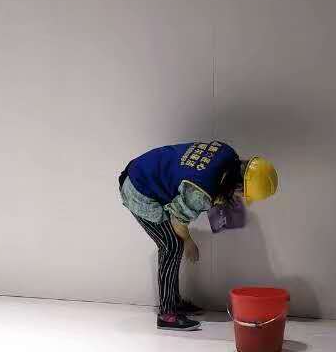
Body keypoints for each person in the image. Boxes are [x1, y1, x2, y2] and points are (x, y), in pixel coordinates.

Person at [119, 142, 279, 331]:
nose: (241, 196)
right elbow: (178, 220)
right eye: (243, 193)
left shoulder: (227, 152)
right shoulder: (201, 191)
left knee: (173, 243)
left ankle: (174, 301)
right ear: (238, 185)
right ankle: (167, 314)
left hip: (144, 168)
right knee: (172, 246)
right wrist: (189, 242)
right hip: (138, 189)